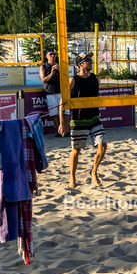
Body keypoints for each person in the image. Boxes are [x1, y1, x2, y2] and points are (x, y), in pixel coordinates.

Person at [69, 53, 106, 187]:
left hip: (94, 117)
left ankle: (94, 171)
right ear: (80, 64)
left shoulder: (96, 78)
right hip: (78, 119)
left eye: (91, 60)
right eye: (87, 60)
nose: (91, 62)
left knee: (102, 146)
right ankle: (72, 178)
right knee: (76, 151)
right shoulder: (73, 80)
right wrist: (62, 123)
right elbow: (64, 101)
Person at [39, 50, 68, 137]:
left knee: (66, 111)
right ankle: (59, 131)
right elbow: (43, 80)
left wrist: (60, 71)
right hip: (50, 92)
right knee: (54, 113)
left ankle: (66, 130)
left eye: (54, 54)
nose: (53, 56)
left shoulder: (60, 66)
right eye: (50, 54)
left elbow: (66, 79)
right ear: (46, 56)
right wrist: (52, 73)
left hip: (61, 91)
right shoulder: (43, 66)